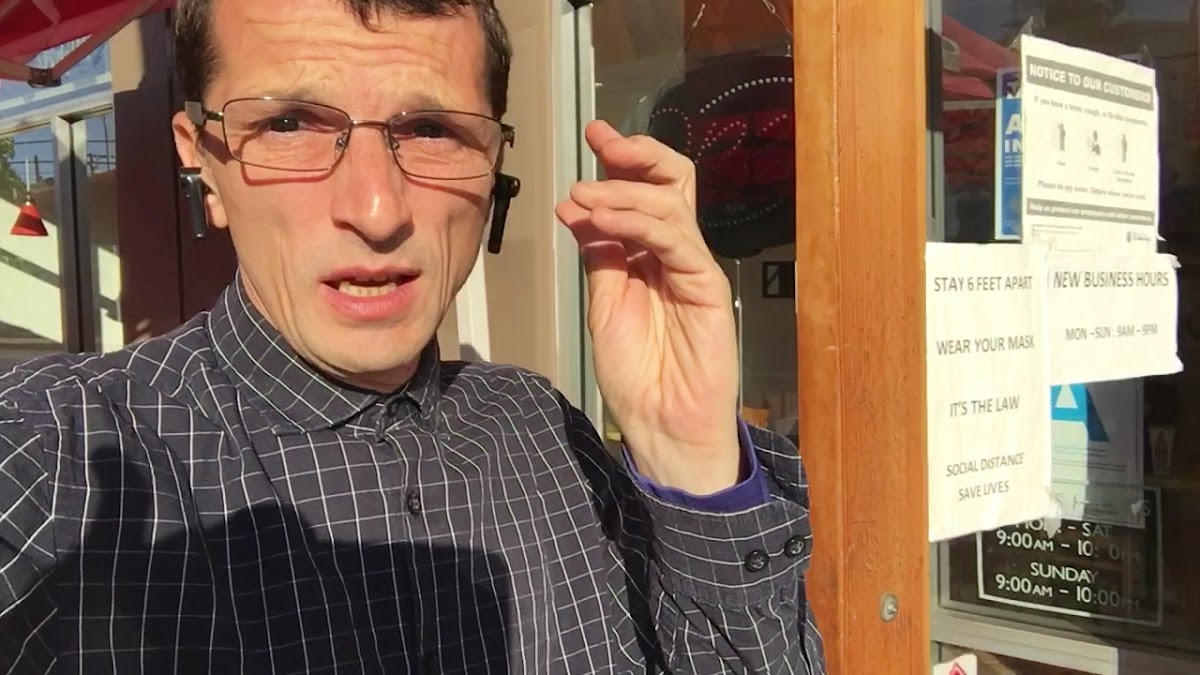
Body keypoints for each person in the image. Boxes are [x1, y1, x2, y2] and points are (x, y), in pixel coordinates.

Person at [0, 0, 823, 672]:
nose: (377, 209)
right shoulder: (56, 458)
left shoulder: (541, 428)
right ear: (203, 159)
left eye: (431, 129)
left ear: (494, 160)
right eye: (290, 122)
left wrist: (690, 458)